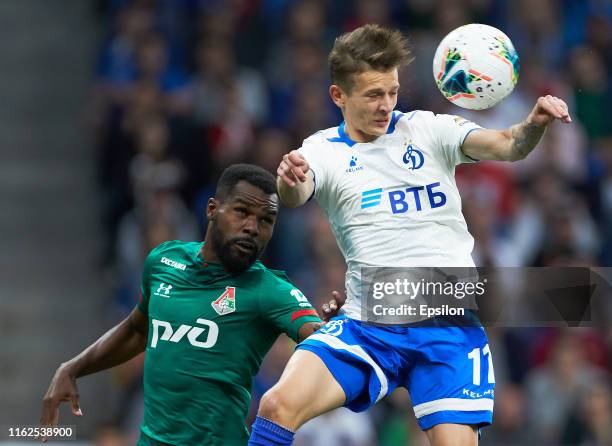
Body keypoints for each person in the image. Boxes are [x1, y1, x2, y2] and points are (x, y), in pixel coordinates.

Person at [248, 24, 572, 446]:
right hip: (368, 323)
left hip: (447, 326)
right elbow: (294, 194)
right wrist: (289, 180)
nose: (386, 106)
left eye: (392, 92)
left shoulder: (427, 129)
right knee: (276, 406)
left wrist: (533, 123)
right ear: (338, 96)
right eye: (372, 95)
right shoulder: (321, 150)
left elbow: (509, 144)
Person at [41, 164, 345, 446]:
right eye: (242, 212)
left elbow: (320, 339)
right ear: (212, 209)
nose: (253, 227)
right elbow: (138, 328)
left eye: (266, 220)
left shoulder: (269, 290)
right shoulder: (163, 262)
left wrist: (335, 330)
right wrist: (73, 368)